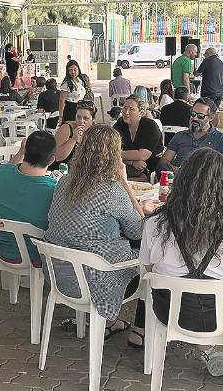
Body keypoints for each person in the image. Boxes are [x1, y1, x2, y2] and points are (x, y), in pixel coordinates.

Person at [141, 148, 223, 376]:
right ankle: (214, 350)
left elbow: (148, 268)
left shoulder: (154, 225)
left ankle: (207, 349)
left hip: (170, 312)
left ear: (181, 182)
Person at [46, 124, 158, 348]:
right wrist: (128, 189)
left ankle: (110, 323)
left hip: (60, 275)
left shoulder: (64, 181)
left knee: (101, 244)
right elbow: (137, 230)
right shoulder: (112, 189)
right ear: (113, 155)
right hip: (96, 281)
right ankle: (140, 331)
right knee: (154, 263)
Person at [0, 131, 57, 264]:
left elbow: (10, 167)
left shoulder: (1, 173)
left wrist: (20, 153)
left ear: (25, 150)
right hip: (36, 254)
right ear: (51, 160)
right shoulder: (53, 189)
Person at [158, 98, 223, 173]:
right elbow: (164, 160)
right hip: (179, 177)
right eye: (193, 114)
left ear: (211, 117)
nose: (195, 118)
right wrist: (178, 170)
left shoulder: (220, 138)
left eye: (200, 116)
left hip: (205, 177)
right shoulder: (180, 136)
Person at [114, 95, 164, 180]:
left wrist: (116, 153)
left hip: (151, 166)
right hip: (127, 165)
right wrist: (132, 162)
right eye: (124, 108)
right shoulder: (119, 125)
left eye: (131, 109)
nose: (126, 112)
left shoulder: (150, 126)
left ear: (141, 112)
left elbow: (143, 155)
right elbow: (108, 150)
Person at [50, 101, 96, 171]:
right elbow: (57, 157)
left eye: (85, 118)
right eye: (78, 117)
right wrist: (73, 139)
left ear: (92, 120)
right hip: (61, 171)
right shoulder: (66, 128)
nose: (81, 121)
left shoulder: (94, 132)